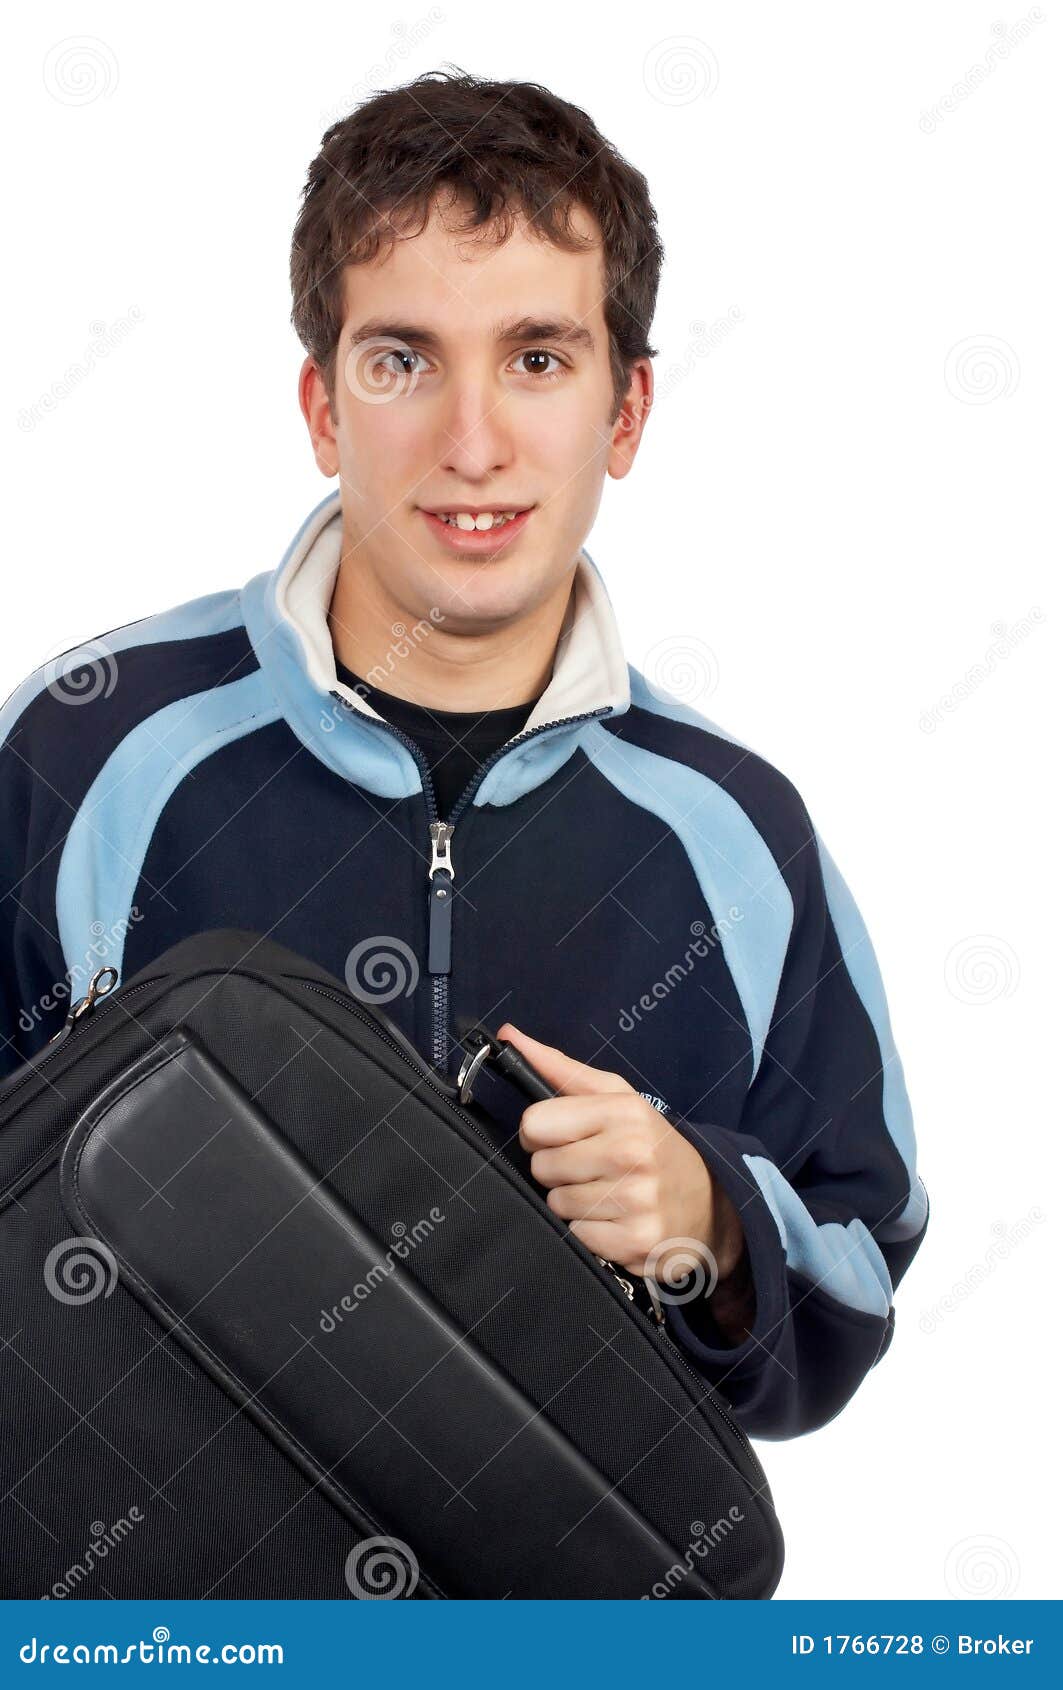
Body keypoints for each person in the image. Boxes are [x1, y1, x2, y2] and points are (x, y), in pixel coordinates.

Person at [0, 70, 926, 1439]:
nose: (474, 441)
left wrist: (707, 1220)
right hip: (167, 1633)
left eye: (538, 359)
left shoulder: (737, 830)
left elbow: (864, 1254)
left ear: (626, 413)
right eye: (404, 361)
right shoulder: (91, 746)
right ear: (323, 406)